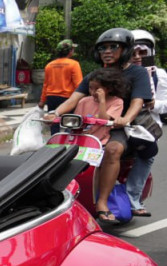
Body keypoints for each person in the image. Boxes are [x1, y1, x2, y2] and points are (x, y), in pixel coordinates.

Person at [48, 28, 154, 224]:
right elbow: (74, 99)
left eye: (113, 47)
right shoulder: (95, 75)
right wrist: (54, 113)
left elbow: (137, 101)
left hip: (119, 127)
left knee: (113, 150)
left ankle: (102, 202)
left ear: (126, 49)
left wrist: (125, 119)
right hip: (91, 126)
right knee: (58, 147)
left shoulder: (137, 72)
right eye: (103, 48)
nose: (108, 51)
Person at [126, 30, 167, 217]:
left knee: (146, 157)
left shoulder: (159, 75)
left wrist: (153, 104)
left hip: (146, 126)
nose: (137, 57)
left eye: (142, 53)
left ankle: (133, 199)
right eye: (133, 52)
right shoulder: (120, 70)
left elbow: (165, 105)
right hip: (119, 124)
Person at [72, 67, 128, 146]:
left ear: (109, 88)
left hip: (100, 141)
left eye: (97, 89)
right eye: (90, 88)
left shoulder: (117, 102)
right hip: (81, 140)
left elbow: (103, 120)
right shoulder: (84, 101)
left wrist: (102, 101)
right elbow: (75, 121)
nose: (93, 92)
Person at [40, 39, 84, 116]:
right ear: (70, 51)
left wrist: (42, 100)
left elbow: (45, 85)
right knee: (68, 122)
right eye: (73, 49)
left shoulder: (49, 65)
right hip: (67, 98)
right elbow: (78, 84)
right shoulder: (74, 64)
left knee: (53, 121)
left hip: (51, 97)